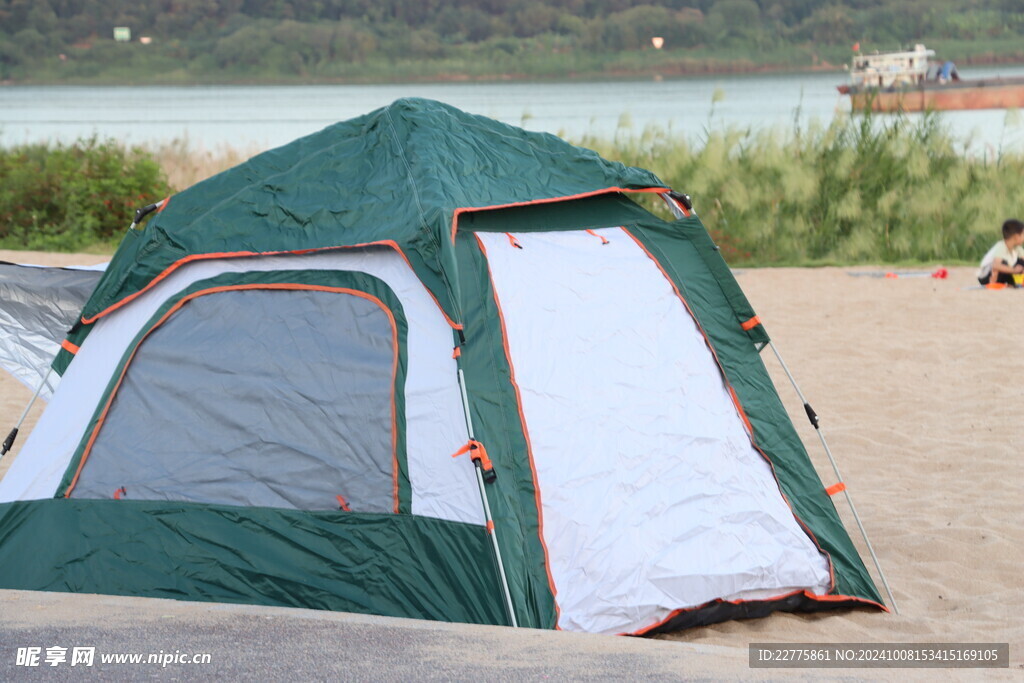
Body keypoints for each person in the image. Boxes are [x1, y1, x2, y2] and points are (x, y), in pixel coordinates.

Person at [977, 219, 1024, 285]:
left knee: (1021, 262)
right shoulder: (1001, 246)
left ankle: (1013, 282)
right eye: (1023, 235)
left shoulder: (1018, 248)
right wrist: (1014, 270)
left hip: (1002, 273)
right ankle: (993, 282)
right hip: (986, 276)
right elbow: (996, 265)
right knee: (1003, 263)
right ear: (1016, 236)